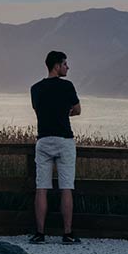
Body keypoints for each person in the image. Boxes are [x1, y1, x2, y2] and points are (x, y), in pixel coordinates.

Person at [30, 51, 81, 244]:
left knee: (41, 187)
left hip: (43, 139)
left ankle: (40, 233)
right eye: (65, 64)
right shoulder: (67, 86)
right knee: (66, 187)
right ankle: (67, 234)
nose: (68, 67)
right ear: (57, 66)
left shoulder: (35, 88)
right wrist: (64, 112)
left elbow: (38, 110)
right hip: (64, 140)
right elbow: (77, 110)